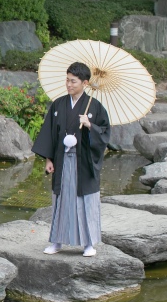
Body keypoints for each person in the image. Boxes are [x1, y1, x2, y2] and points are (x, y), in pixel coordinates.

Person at [32, 62, 110, 257]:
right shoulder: (58, 105)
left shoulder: (95, 107)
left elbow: (105, 133)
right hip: (62, 159)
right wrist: (49, 159)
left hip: (83, 162)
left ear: (85, 83)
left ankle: (89, 243)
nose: (68, 84)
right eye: (67, 80)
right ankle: (57, 241)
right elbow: (49, 133)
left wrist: (90, 125)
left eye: (73, 81)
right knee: (61, 200)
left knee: (85, 200)